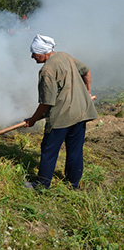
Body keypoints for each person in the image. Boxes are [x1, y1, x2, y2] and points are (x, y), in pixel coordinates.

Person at [24, 34, 98, 190]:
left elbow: (46, 103)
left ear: (43, 51)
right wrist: (88, 93)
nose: (32, 56)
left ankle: (42, 184)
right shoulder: (65, 56)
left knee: (49, 150)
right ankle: (73, 184)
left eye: (34, 53)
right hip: (81, 112)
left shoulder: (47, 71)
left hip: (62, 118)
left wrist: (32, 120)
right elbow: (86, 71)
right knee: (75, 149)